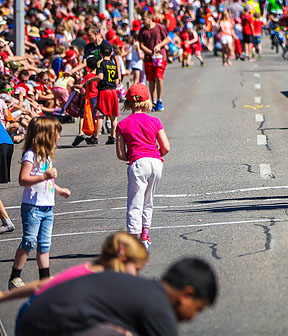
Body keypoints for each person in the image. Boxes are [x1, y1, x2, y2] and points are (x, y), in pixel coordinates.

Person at [16, 256, 217, 335]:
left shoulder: (147, 290)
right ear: (186, 294)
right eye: (198, 308)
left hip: (32, 318)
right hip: (42, 327)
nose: (193, 317)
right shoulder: (159, 306)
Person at [8, 116, 71, 290]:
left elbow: (47, 183)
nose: (58, 137)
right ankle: (15, 276)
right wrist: (44, 176)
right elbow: (23, 179)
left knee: (44, 243)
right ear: (44, 135)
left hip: (47, 207)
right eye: (55, 134)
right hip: (32, 207)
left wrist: (58, 190)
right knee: (28, 241)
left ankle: (44, 278)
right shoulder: (31, 155)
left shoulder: (47, 156)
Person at [0, 231, 148, 304]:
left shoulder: (104, 277)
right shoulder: (92, 276)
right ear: (122, 259)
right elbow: (42, 285)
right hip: (39, 322)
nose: (137, 274)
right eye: (137, 269)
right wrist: (5, 297)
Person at [116, 83, 170, 251]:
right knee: (148, 201)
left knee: (134, 203)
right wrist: (155, 153)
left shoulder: (123, 124)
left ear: (128, 103)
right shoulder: (155, 120)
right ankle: (145, 236)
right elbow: (166, 147)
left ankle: (133, 240)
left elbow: (120, 153)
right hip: (155, 162)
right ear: (147, 101)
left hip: (138, 162)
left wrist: (132, 157)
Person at [136, 10, 170, 111]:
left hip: (160, 57)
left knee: (159, 77)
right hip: (149, 58)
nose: (142, 21)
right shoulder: (143, 31)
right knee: (151, 80)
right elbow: (141, 45)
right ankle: (153, 101)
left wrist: (159, 45)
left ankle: (159, 100)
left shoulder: (159, 27)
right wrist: (150, 52)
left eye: (144, 19)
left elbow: (167, 39)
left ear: (150, 18)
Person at [96, 42, 121, 146]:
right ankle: (112, 136)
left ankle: (96, 136)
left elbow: (100, 77)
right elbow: (116, 81)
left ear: (101, 54)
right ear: (111, 54)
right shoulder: (113, 65)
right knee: (113, 115)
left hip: (104, 90)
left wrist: (90, 80)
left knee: (101, 114)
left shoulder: (101, 64)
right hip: (113, 91)